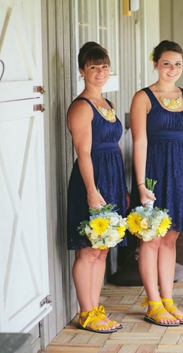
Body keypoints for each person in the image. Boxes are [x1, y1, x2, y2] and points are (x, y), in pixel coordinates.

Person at [131, 40, 183, 327]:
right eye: (167, 63)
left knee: (171, 236)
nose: (172, 69)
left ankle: (168, 299)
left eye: (178, 64)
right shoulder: (143, 97)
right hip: (154, 170)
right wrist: (142, 183)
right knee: (151, 237)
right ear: (155, 63)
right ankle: (152, 302)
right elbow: (139, 141)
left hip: (180, 169)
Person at [66, 42, 126, 334]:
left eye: (104, 66)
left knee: (102, 249)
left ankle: (96, 307)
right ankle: (86, 312)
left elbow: (115, 145)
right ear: (82, 71)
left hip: (112, 177)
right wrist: (92, 190)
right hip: (93, 180)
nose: (100, 72)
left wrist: (122, 185)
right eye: (93, 67)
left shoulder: (108, 105)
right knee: (88, 250)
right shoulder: (81, 106)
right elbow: (84, 152)